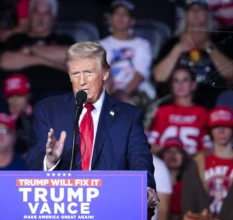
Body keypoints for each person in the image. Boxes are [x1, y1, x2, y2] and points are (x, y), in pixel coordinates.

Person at [26, 41, 158, 212]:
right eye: (75, 73)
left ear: (105, 73)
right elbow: (33, 160)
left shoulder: (128, 116)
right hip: (63, 209)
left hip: (111, 208)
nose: (82, 82)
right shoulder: (48, 110)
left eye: (88, 73)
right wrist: (50, 161)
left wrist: (146, 186)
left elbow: (140, 157)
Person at [153, 0, 233, 109]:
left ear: (208, 14)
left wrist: (209, 48)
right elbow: (159, 76)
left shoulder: (220, 41)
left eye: (200, 9)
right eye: (191, 10)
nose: (195, 13)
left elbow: (231, 73)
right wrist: (178, 49)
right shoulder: (172, 43)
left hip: (213, 109)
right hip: (175, 109)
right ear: (185, 16)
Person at [0, 0, 75, 100]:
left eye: (46, 13)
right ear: (30, 16)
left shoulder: (64, 39)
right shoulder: (16, 39)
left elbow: (71, 58)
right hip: (18, 94)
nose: (40, 17)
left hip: (57, 94)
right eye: (36, 12)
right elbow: (5, 62)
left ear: (53, 18)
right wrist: (51, 62)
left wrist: (31, 50)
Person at [181, 106, 233, 220]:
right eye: (216, 126)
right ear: (210, 131)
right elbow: (188, 203)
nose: (221, 131)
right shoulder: (197, 163)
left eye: (226, 126)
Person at [148, 66, 211, 156]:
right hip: (164, 162)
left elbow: (208, 148)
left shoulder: (203, 113)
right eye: (176, 81)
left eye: (185, 80)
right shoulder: (162, 111)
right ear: (172, 86)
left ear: (193, 85)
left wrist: (188, 159)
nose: (180, 84)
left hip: (193, 165)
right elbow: (150, 144)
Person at [100, 0, 155, 100]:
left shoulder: (142, 44)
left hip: (137, 94)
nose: (120, 18)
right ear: (110, 19)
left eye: (125, 14)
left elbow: (140, 75)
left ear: (132, 20)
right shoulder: (99, 45)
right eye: (117, 13)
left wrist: (123, 94)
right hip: (109, 94)